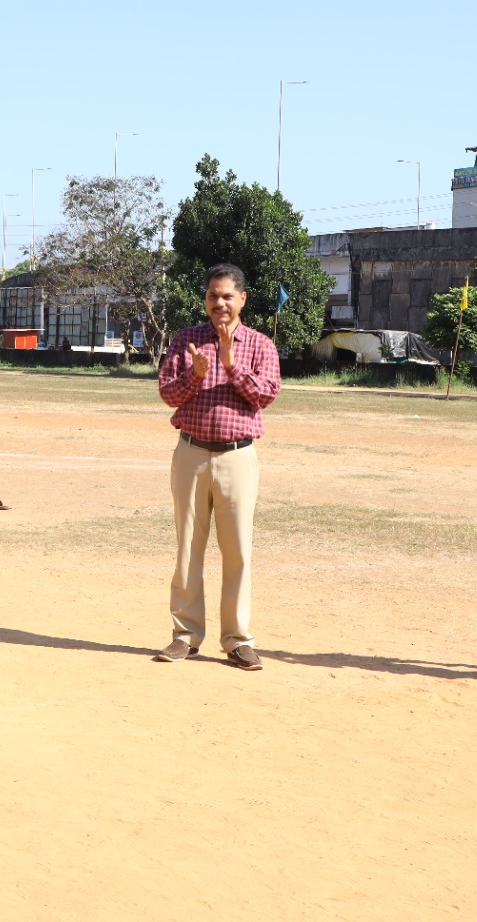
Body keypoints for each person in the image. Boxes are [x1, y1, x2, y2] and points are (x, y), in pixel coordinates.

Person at [154, 263, 281, 670]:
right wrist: (194, 375)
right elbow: (168, 394)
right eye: (213, 295)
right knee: (188, 548)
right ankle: (185, 637)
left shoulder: (260, 345)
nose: (219, 303)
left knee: (237, 550)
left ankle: (238, 640)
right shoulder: (186, 340)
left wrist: (230, 364)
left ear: (243, 299)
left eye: (227, 296)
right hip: (191, 454)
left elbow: (266, 395)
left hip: (237, 458)